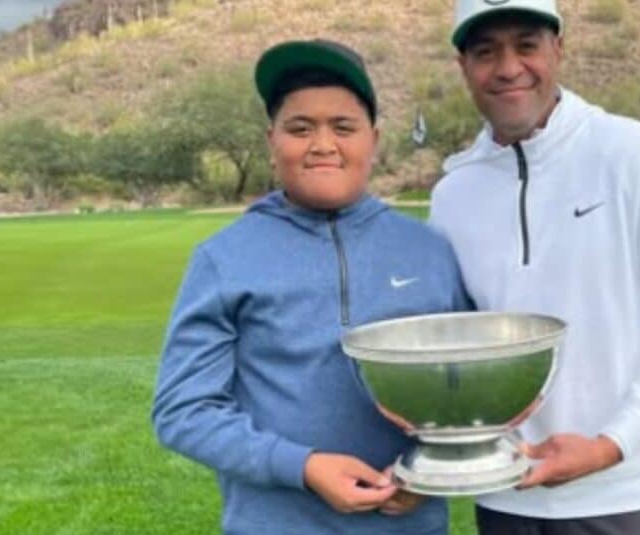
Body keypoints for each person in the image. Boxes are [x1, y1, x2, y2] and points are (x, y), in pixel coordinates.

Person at [428, 1, 640, 533]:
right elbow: (460, 355)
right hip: (506, 497)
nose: (507, 67)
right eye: (485, 52)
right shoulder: (453, 193)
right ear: (463, 67)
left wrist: (610, 445)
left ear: (558, 49)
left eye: (526, 45)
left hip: (623, 493)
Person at [151, 39, 470, 534]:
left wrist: (429, 470)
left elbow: (466, 389)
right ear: (271, 141)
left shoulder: (428, 249)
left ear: (374, 139)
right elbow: (183, 411)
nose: (323, 144)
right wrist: (302, 466)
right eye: (300, 128)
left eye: (343, 127)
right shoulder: (223, 258)